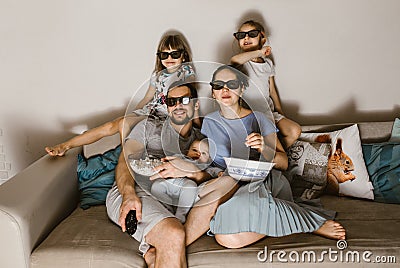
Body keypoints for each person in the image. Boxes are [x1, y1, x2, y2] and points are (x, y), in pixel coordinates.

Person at [201, 65, 346, 248]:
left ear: (242, 88)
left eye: (232, 83)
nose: (225, 90)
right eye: (218, 85)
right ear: (213, 92)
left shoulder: (260, 118)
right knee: (226, 238)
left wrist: (264, 147)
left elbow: (284, 163)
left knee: (238, 206)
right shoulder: (208, 122)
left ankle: (311, 222)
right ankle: (289, 220)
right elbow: (209, 161)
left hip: (264, 180)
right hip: (232, 184)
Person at [106, 82, 215, 267]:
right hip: (136, 190)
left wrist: (190, 171)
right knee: (173, 233)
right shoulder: (148, 127)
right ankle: (159, 245)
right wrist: (128, 194)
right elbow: (125, 161)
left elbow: (212, 177)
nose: (178, 106)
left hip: (177, 197)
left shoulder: (203, 141)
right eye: (172, 101)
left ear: (196, 104)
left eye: (185, 100)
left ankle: (154, 253)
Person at [45, 33, 196, 157]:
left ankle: (131, 159)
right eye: (165, 55)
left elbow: (189, 100)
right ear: (159, 57)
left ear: (183, 56)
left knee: (127, 126)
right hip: (149, 112)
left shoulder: (185, 73)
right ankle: (65, 145)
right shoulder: (157, 76)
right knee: (115, 124)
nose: (169, 59)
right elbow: (147, 98)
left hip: (166, 118)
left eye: (174, 54)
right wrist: (132, 114)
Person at [230, 20, 301, 149]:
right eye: (241, 35)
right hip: (251, 115)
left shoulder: (268, 64)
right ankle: (265, 153)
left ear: (262, 39)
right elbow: (234, 60)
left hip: (268, 112)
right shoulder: (241, 63)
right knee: (258, 138)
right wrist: (259, 52)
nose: (246, 37)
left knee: (295, 130)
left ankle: (273, 153)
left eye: (252, 34)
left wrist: (280, 112)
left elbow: (272, 90)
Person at [150, 138, 212, 223]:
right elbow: (167, 162)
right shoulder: (179, 157)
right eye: (194, 150)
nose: (198, 153)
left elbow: (213, 174)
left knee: (191, 186)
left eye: (203, 153)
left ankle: (181, 214)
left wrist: (220, 173)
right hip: (170, 182)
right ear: (187, 151)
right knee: (156, 186)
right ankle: (167, 209)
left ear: (209, 159)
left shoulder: (205, 166)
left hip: (185, 184)